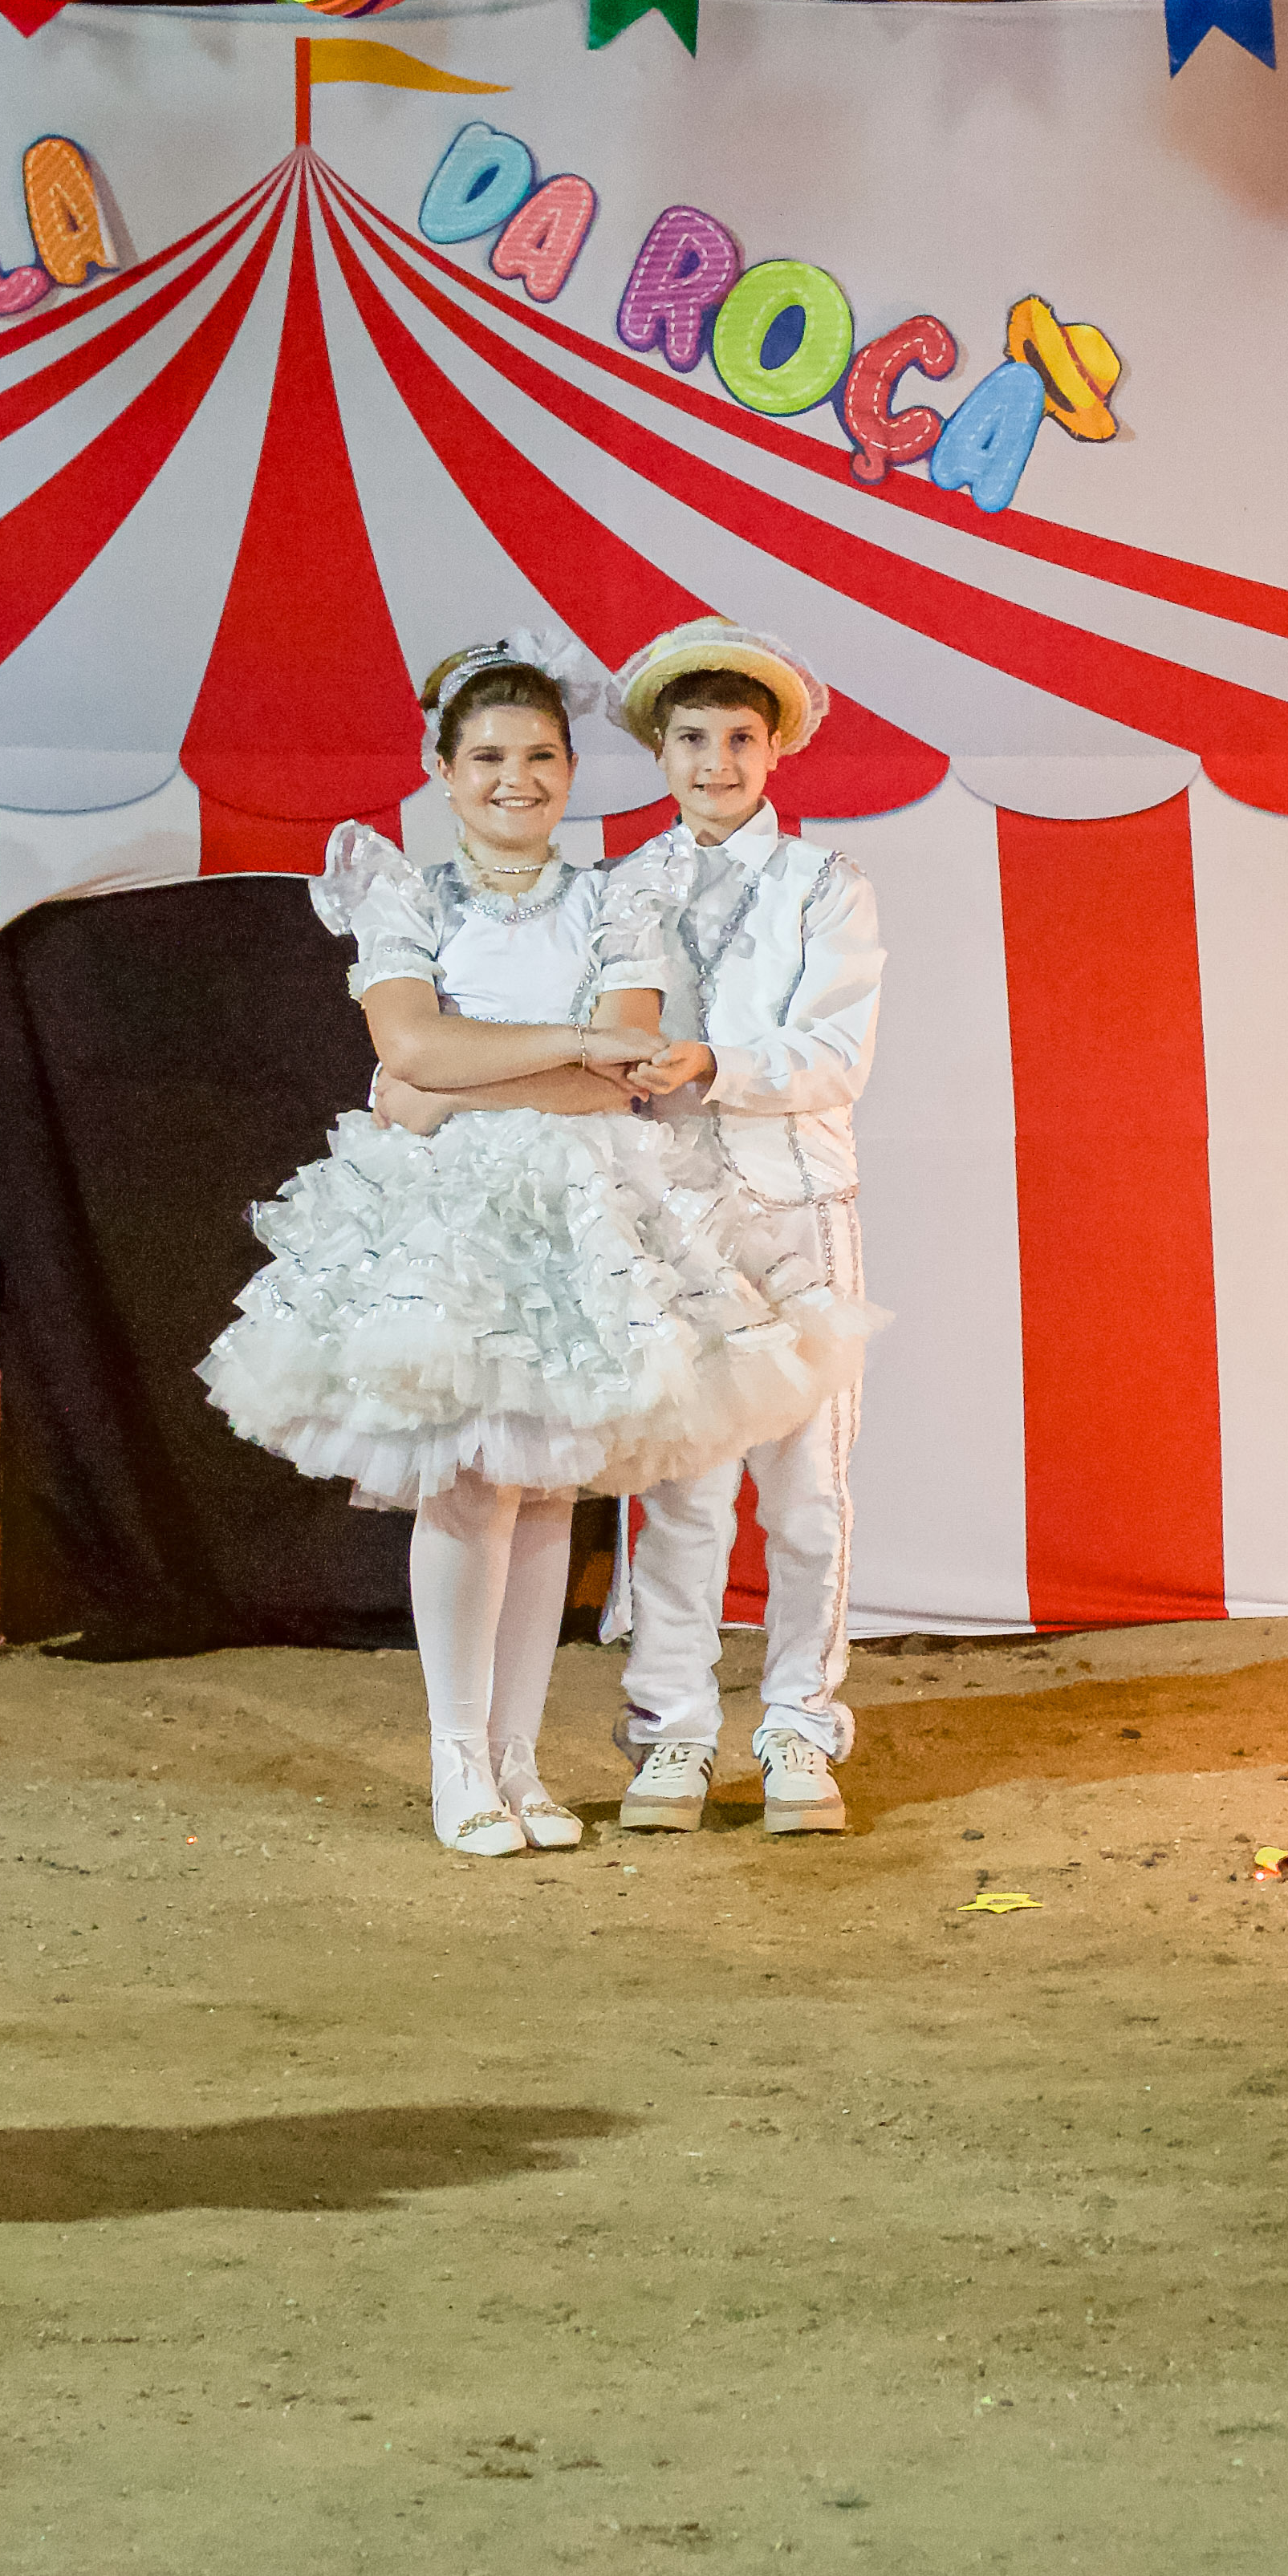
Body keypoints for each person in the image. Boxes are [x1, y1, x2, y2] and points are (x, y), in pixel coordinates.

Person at [202, 635, 871, 1859]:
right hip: (459, 1219)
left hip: (600, 1207)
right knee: (474, 1485)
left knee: (560, 1486)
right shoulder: (411, 893)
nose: (517, 780)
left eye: (542, 758)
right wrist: (515, 1057)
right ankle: (466, 1759)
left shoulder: (622, 896)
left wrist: (458, 1079)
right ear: (443, 770)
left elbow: (615, 1070)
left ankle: (532, 1759)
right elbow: (412, 1045)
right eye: (489, 759)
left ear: (572, 769)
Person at [600, 622, 887, 1836]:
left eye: (738, 739)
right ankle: (672, 1729)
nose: (714, 763)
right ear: (661, 752)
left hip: (798, 1211)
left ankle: (799, 1726)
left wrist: (712, 1063)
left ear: (775, 752)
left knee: (808, 1494)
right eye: (691, 739)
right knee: (684, 1493)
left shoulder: (827, 885)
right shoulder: (621, 887)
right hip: (671, 1220)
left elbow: (836, 1056)